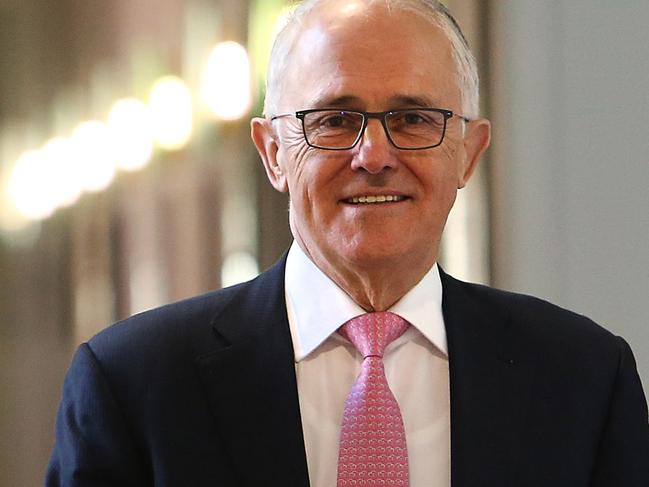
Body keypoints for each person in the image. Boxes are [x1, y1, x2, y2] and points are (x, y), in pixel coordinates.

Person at [46, 0, 649, 486]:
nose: (375, 157)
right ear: (273, 153)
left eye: (414, 119)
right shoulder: (134, 383)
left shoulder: (585, 379)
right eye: (335, 119)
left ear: (468, 153)